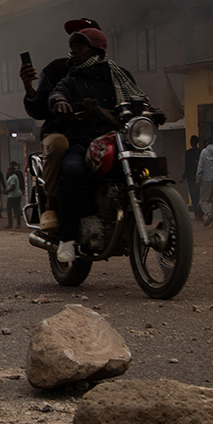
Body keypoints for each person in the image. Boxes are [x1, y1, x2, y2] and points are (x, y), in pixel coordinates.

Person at [48, 26, 145, 265]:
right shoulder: (72, 79)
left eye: (80, 47)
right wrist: (59, 101)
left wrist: (149, 112)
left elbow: (137, 99)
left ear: (97, 49)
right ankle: (68, 238)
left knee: (147, 167)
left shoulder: (120, 76)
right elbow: (57, 92)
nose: (74, 52)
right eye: (72, 48)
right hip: (83, 142)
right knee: (72, 171)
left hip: (120, 139)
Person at [21, 16, 102, 232]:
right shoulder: (59, 71)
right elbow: (40, 108)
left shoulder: (112, 73)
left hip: (100, 134)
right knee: (59, 146)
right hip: (64, 133)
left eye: (85, 38)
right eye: (75, 40)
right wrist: (29, 88)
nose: (77, 45)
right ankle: (51, 206)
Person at [183, 135, 203, 220]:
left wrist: (184, 177)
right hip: (201, 177)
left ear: (191, 142)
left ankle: (196, 214)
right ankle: (201, 214)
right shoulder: (201, 152)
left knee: (194, 197)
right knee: (201, 197)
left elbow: (187, 167)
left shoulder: (188, 153)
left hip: (191, 178)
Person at [3, 163, 23, 229]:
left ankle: (10, 224)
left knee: (8, 209)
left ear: (12, 171)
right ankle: (18, 224)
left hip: (12, 196)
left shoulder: (11, 177)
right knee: (16, 209)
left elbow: (13, 187)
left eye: (9, 170)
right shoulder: (15, 176)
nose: (8, 171)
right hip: (18, 194)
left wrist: (6, 191)